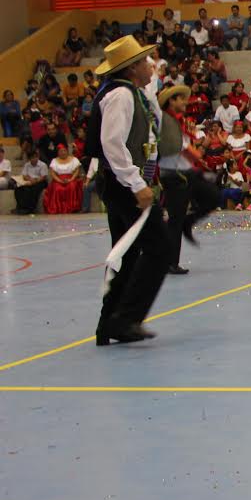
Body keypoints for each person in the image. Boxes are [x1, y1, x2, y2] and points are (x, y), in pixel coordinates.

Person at [84, 36, 172, 344]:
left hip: (120, 182)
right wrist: (137, 184)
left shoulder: (127, 91)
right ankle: (125, 318)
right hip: (123, 184)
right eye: (146, 61)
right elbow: (112, 144)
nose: (151, 65)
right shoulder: (120, 95)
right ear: (133, 67)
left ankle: (109, 322)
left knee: (130, 252)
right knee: (160, 246)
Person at [157, 83, 219, 275]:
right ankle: (169, 262)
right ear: (171, 101)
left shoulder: (177, 121)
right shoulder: (164, 120)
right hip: (173, 176)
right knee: (175, 220)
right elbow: (180, 148)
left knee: (214, 197)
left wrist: (200, 160)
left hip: (186, 172)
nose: (185, 101)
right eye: (180, 98)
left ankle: (188, 222)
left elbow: (186, 148)